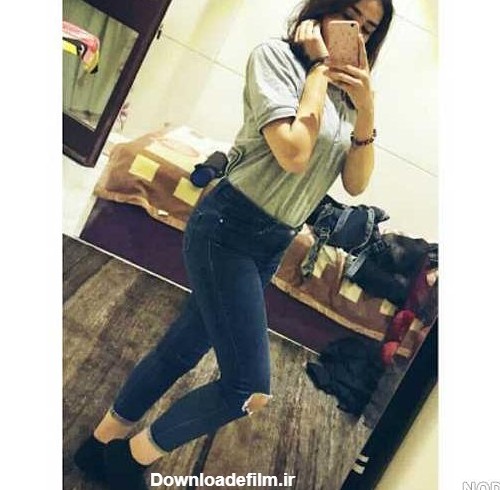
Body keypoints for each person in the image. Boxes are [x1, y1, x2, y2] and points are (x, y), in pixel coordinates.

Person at [73, 0, 393, 488]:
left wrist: (366, 106)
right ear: (321, 10)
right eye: (350, 16)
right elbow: (293, 152)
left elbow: (355, 182)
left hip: (273, 243)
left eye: (369, 29)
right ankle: (129, 459)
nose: (358, 33)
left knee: (181, 350)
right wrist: (317, 72)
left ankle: (97, 446)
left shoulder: (349, 99)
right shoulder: (276, 59)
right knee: (248, 387)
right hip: (228, 227)